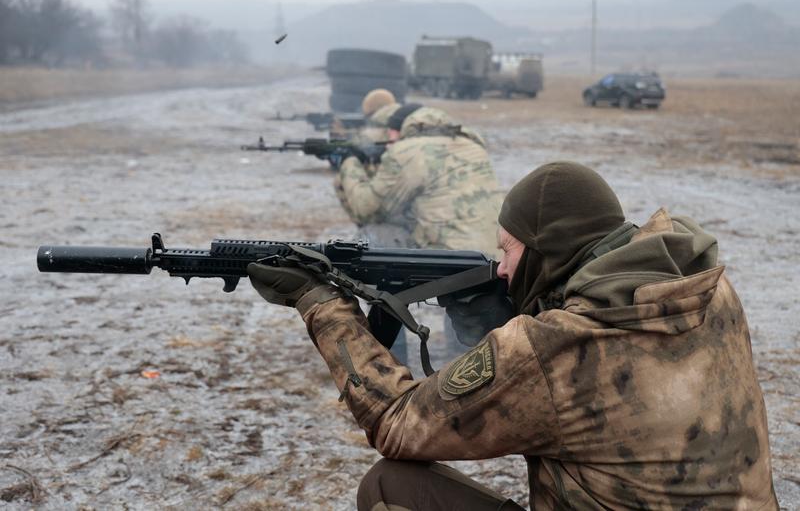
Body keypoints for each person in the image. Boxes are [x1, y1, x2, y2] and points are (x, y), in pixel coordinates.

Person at [247, 161, 778, 510]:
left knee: (389, 486)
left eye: (509, 250)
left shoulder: (556, 347)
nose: (501, 269)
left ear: (549, 251)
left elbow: (397, 423)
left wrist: (321, 304)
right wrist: (501, 322)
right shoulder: (704, 291)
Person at [335, 102, 504, 365]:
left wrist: (348, 163)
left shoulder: (407, 152)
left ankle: (391, 353)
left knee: (378, 240)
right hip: (495, 252)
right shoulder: (469, 142)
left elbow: (366, 208)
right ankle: (465, 348)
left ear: (398, 130)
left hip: (455, 262)